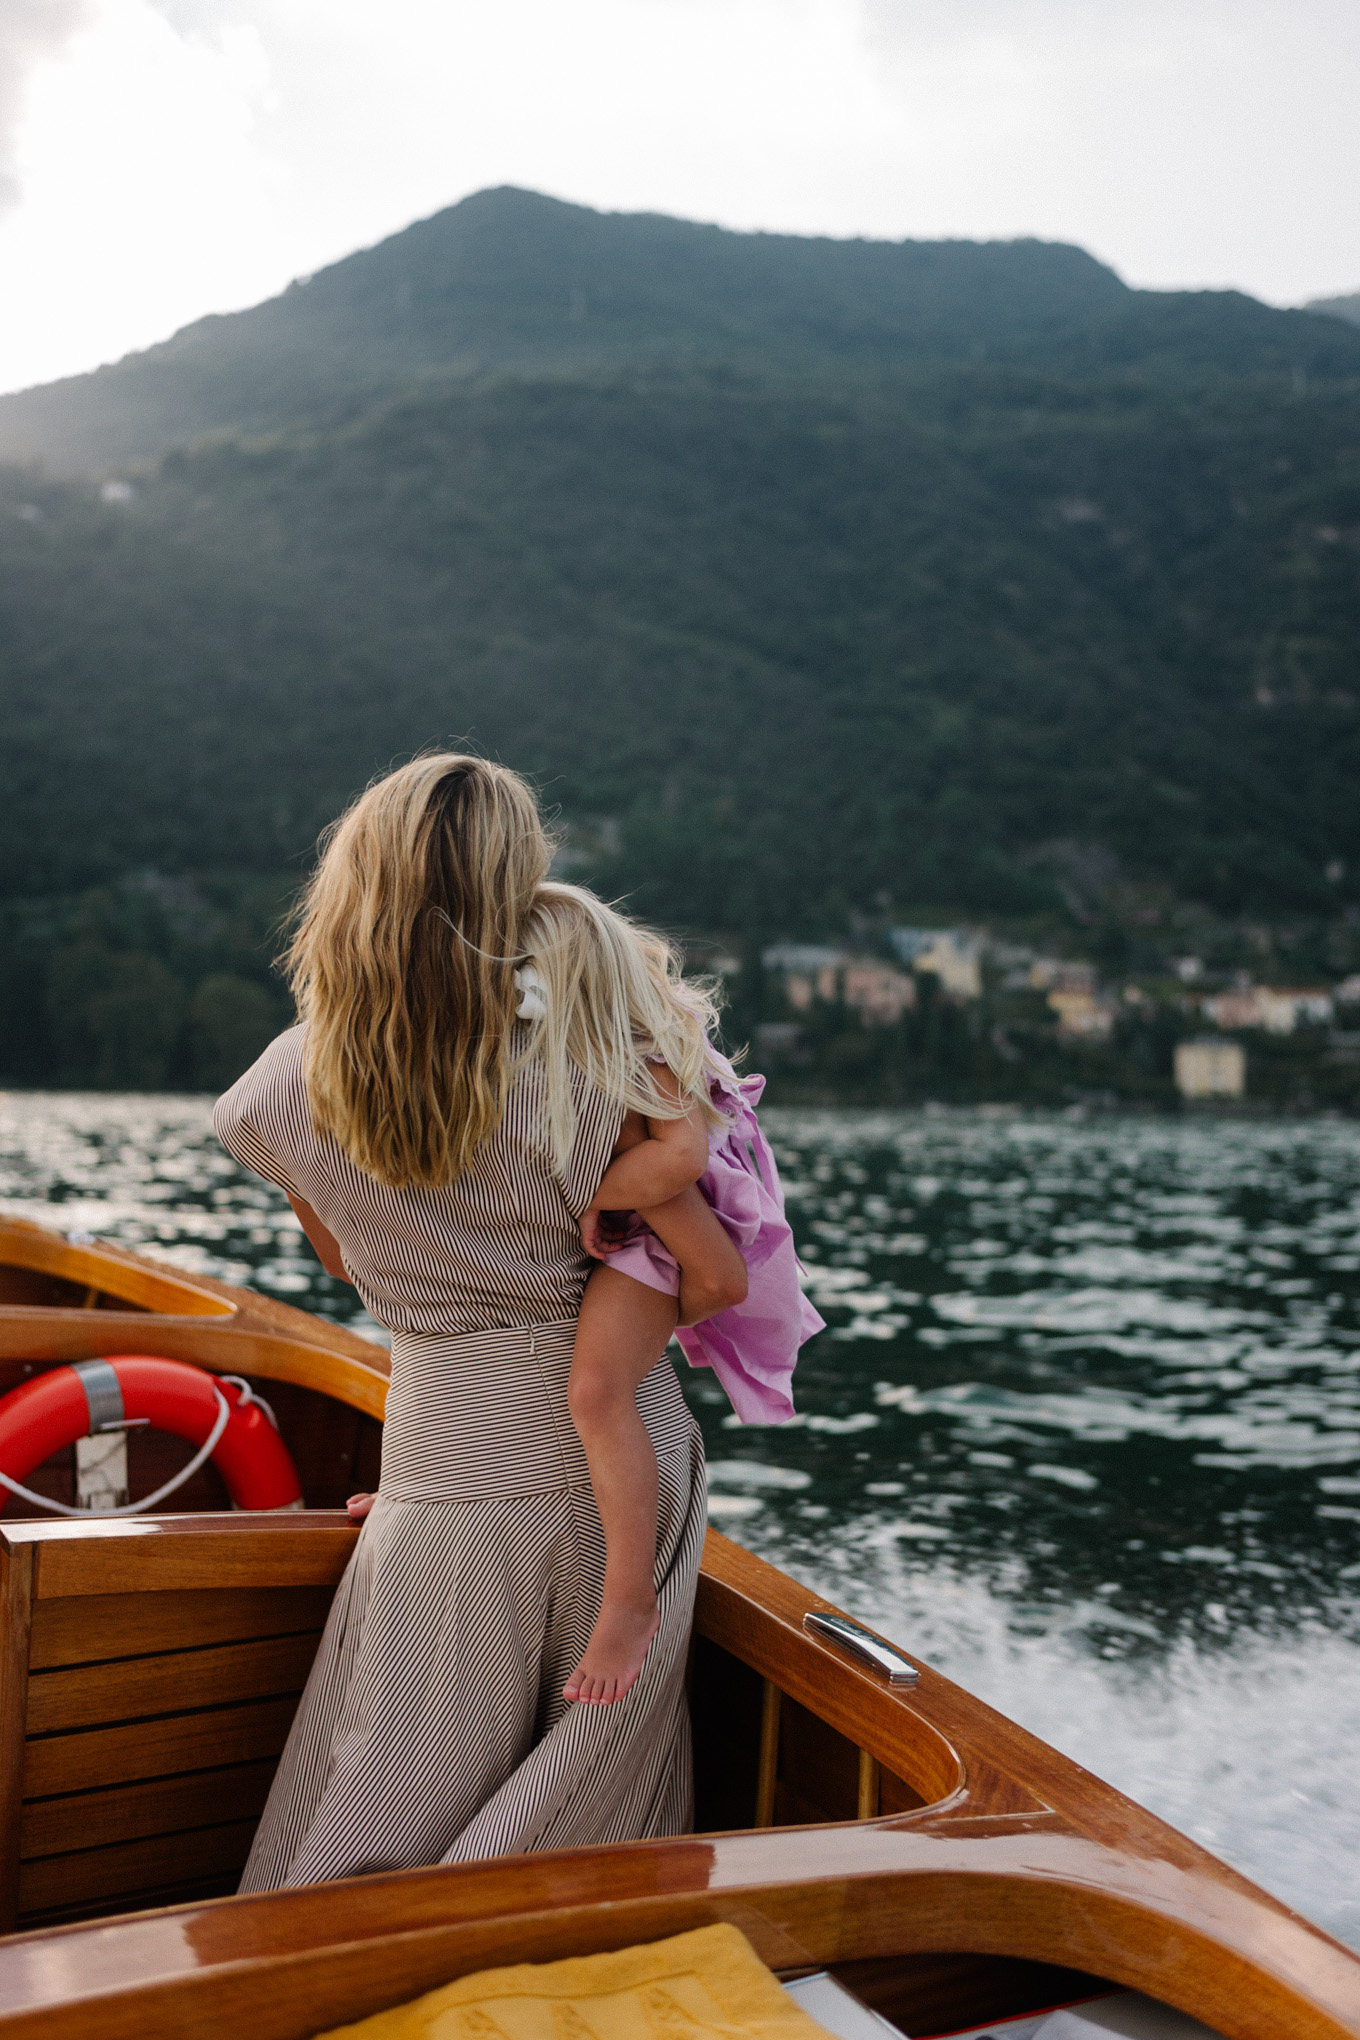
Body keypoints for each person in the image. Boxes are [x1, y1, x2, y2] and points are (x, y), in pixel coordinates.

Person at [213, 754, 710, 1889]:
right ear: (512, 885)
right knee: (575, 1819)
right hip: (611, 1465)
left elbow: (351, 1267)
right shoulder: (593, 1068)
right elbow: (692, 1268)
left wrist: (453, 1441)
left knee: (378, 1806)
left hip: (442, 1465)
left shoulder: (278, 1091)